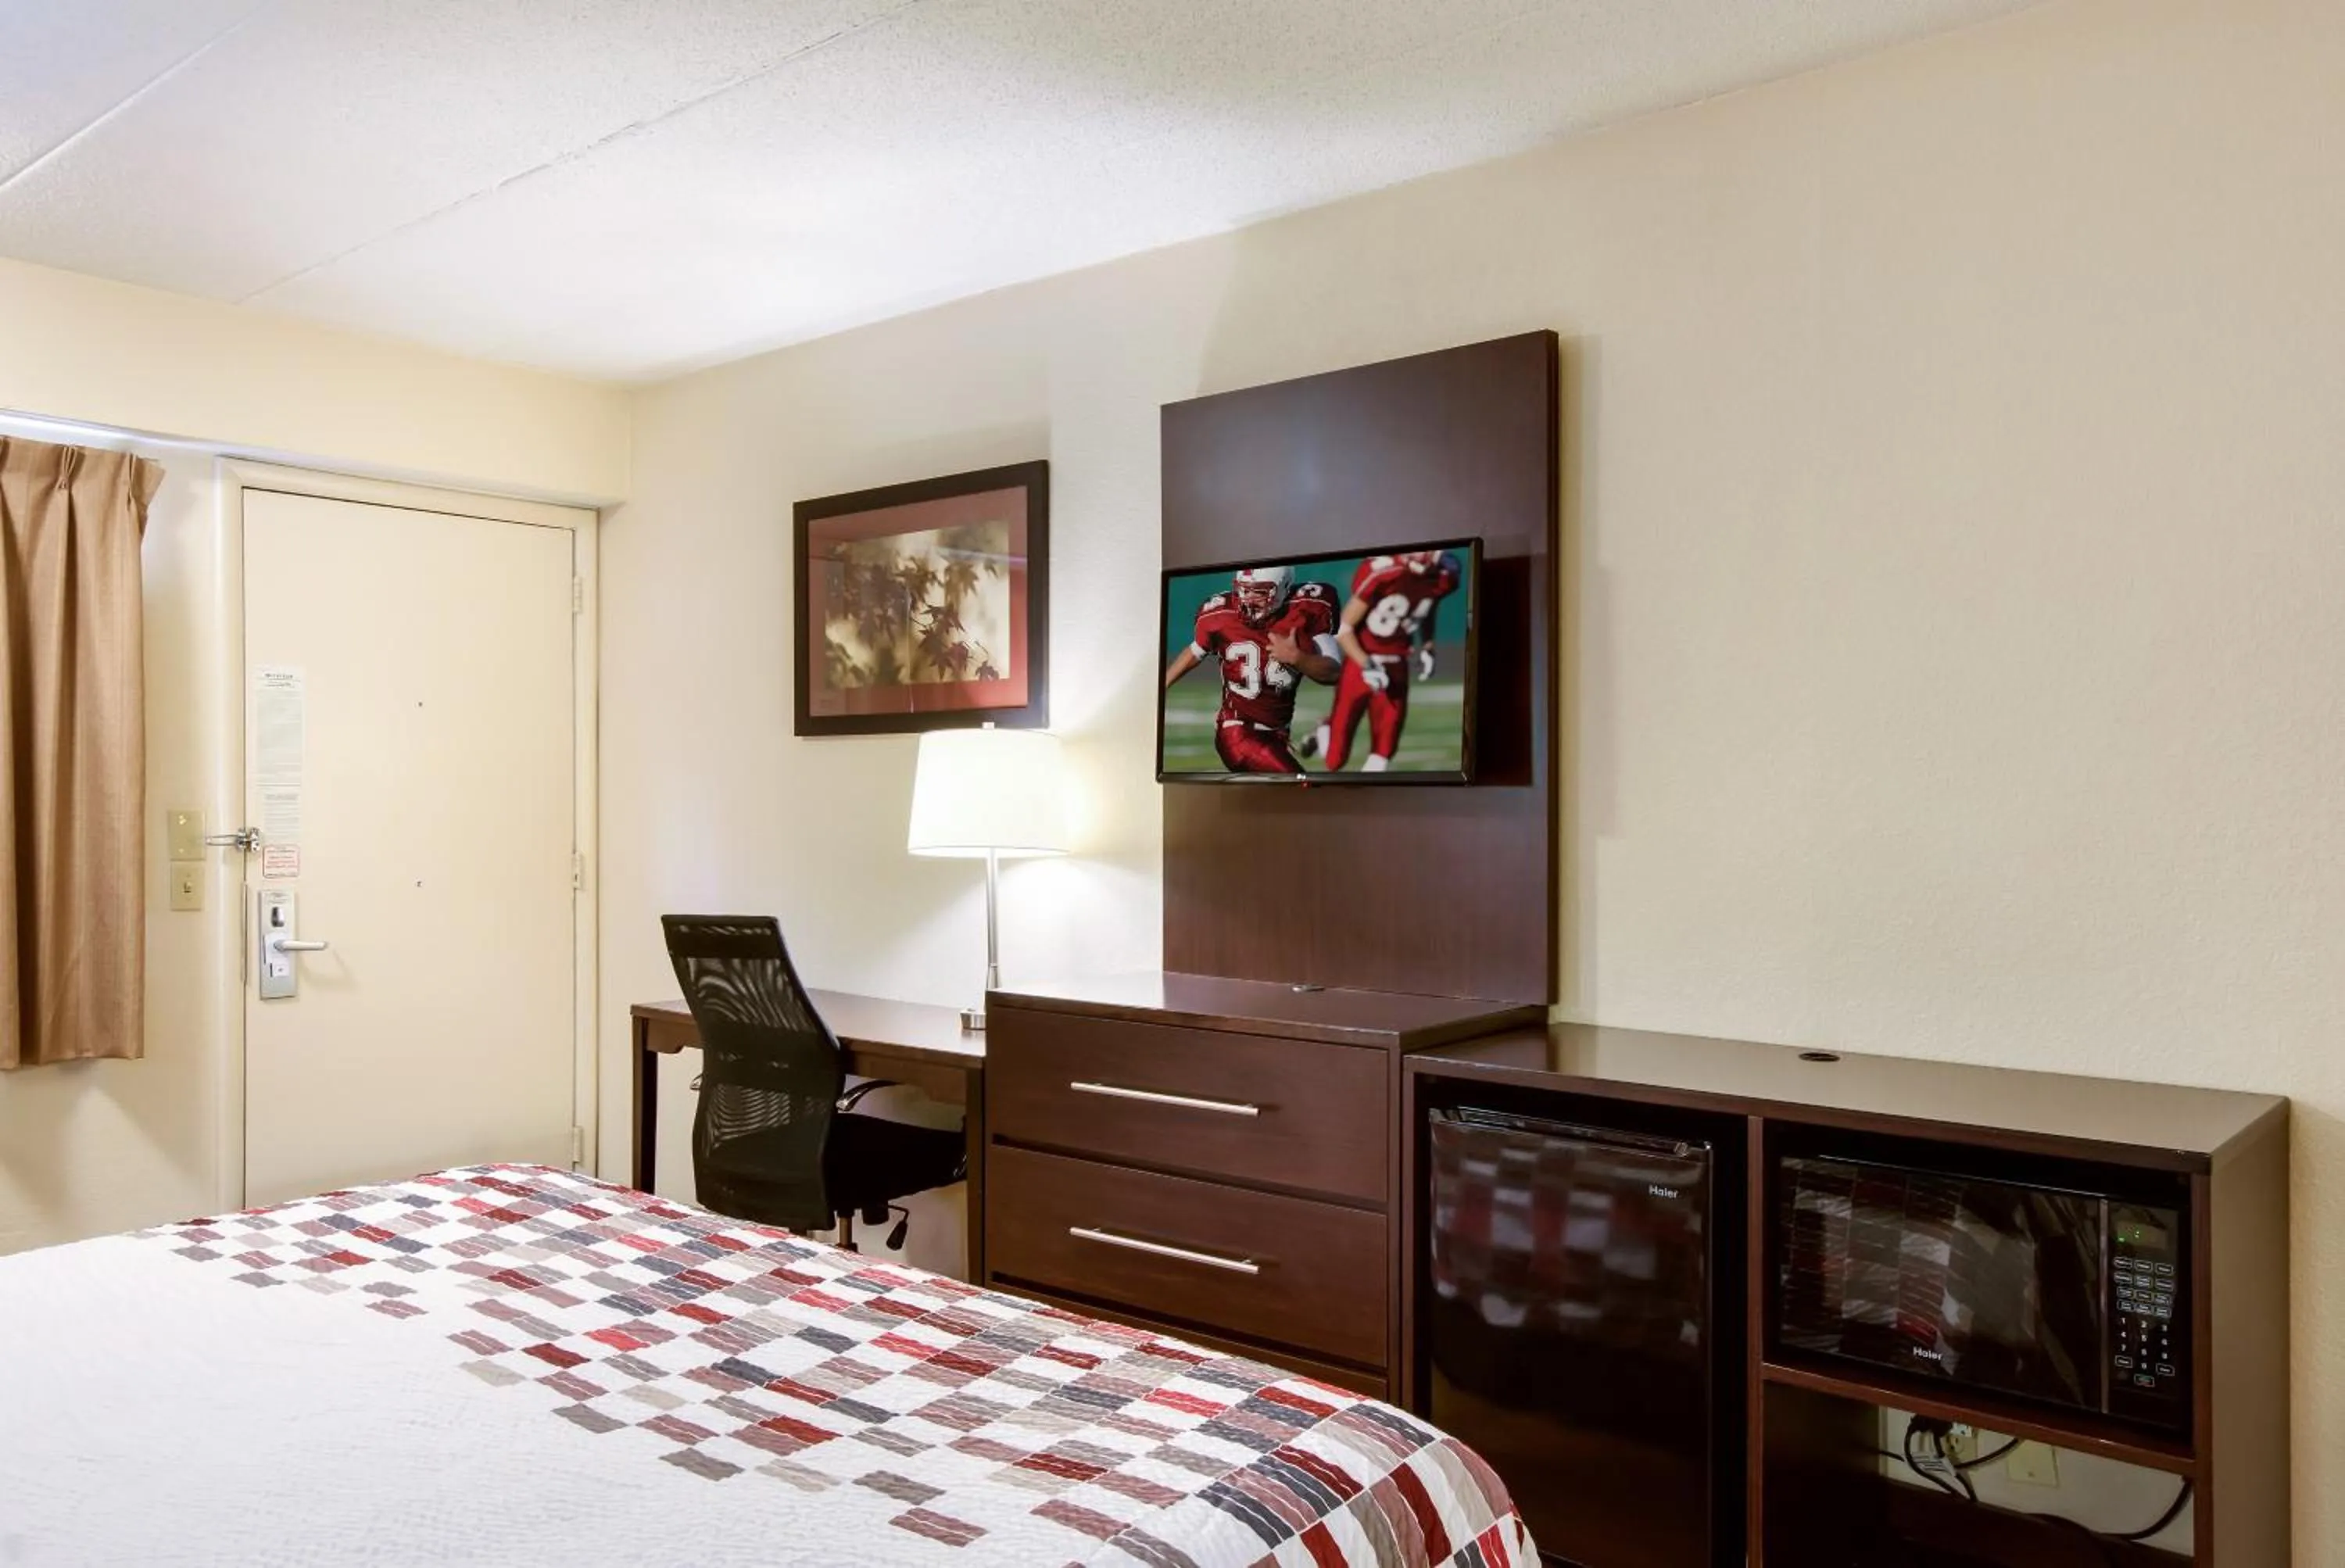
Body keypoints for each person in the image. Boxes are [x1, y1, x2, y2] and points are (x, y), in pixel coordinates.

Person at [1162, 564, 1341, 774]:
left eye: (1259, 591)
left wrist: (1297, 658)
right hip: (1237, 733)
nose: (1248, 598)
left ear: (1283, 588)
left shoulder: (1307, 609)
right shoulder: (1220, 615)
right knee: (1300, 787)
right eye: (1244, 589)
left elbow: (1334, 672)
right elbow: (1195, 651)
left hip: (1277, 735)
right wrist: (1159, 688)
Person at [1300, 550, 1462, 772]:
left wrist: (1428, 645)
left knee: (1383, 755)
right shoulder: (1383, 573)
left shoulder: (1446, 574)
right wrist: (1366, 664)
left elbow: (1427, 605)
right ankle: (1325, 730)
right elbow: (1344, 628)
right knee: (1335, 761)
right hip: (1361, 661)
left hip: (1397, 663)